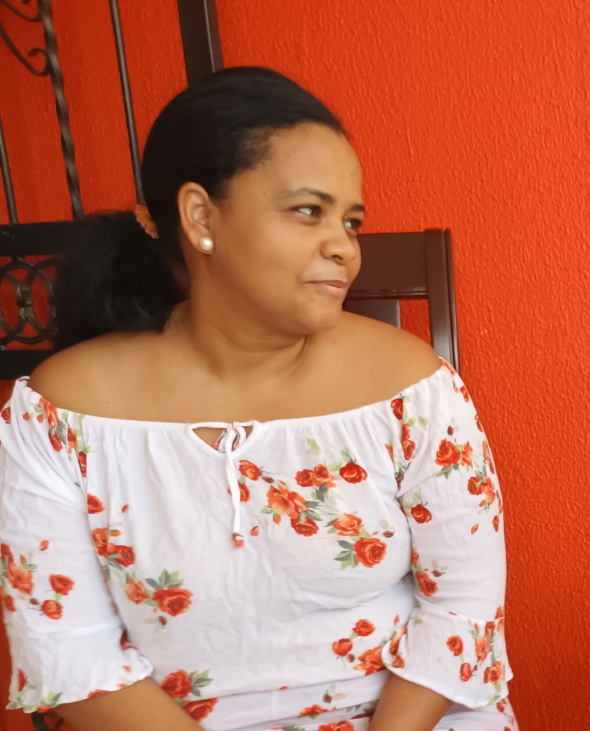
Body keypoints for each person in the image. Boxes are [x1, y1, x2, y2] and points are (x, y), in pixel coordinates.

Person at [0, 68, 515, 731]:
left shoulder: (411, 388)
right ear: (200, 216)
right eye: (308, 211)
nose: (344, 247)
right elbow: (66, 651)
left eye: (351, 221)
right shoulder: (60, 415)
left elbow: (464, 607)